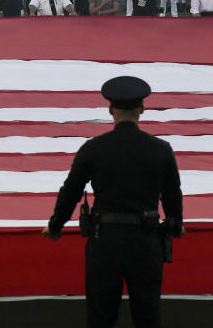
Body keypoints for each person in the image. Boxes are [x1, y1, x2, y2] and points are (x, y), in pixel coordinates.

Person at [42, 76, 183, 328]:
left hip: (104, 241)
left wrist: (55, 225)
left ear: (110, 110)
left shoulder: (93, 149)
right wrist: (175, 226)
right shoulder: (161, 149)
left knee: (101, 316)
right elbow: (173, 195)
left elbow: (71, 191)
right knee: (148, 315)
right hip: (146, 241)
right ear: (142, 109)